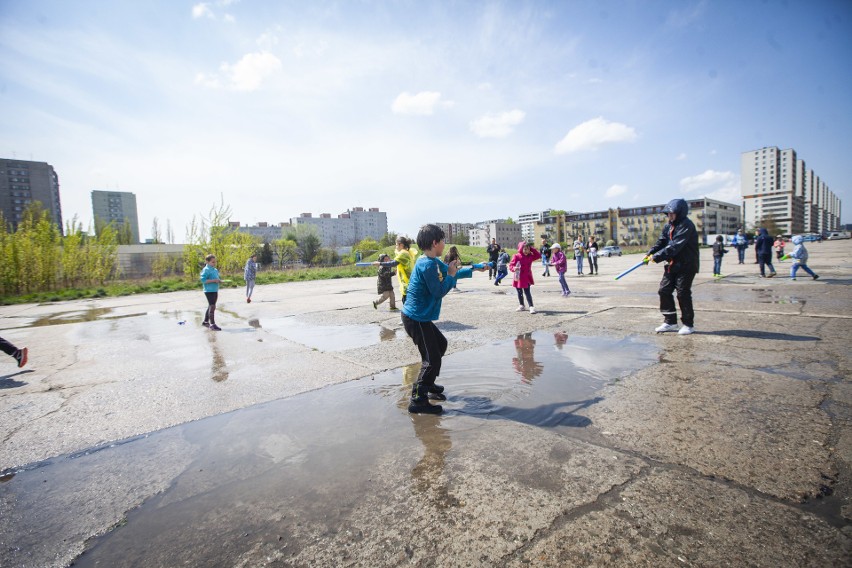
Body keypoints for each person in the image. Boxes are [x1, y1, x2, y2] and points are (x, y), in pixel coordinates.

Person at [401, 224, 485, 414]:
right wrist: (451, 275)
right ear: (435, 242)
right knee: (433, 359)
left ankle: (428, 384)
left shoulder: (431, 260)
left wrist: (477, 269)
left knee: (440, 345)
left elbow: (450, 272)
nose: (445, 244)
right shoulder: (427, 265)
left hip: (419, 317)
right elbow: (439, 290)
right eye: (443, 240)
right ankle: (418, 399)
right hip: (415, 318)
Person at [644, 198, 700, 335]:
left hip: (686, 265)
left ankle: (688, 324)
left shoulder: (687, 225)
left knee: (682, 293)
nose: (669, 216)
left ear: (680, 212)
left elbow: (675, 246)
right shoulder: (668, 226)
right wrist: (650, 253)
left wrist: (656, 257)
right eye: (668, 214)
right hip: (672, 264)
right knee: (664, 290)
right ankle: (670, 321)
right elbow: (662, 242)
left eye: (672, 213)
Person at [509, 241, 541, 313]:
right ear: (521, 249)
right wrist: (514, 268)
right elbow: (511, 265)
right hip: (518, 277)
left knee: (527, 292)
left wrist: (531, 249)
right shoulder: (517, 256)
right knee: (519, 292)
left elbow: (538, 255)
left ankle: (531, 306)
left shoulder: (530, 256)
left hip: (527, 277)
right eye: (525, 249)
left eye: (528, 249)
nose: (526, 251)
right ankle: (521, 305)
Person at [200, 254, 222, 330]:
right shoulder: (206, 270)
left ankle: (206, 321)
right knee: (212, 306)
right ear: (207, 262)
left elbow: (216, 278)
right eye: (212, 262)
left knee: (211, 305)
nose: (214, 263)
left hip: (215, 290)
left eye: (215, 262)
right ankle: (212, 324)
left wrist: (219, 280)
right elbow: (203, 280)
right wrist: (213, 280)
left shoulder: (215, 270)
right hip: (208, 290)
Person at [394, 236, 417, 304]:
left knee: (407, 305)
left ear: (401, 245)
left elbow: (394, 263)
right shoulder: (407, 252)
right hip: (409, 283)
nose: (396, 247)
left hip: (408, 284)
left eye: (396, 245)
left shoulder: (403, 253)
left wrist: (380, 263)